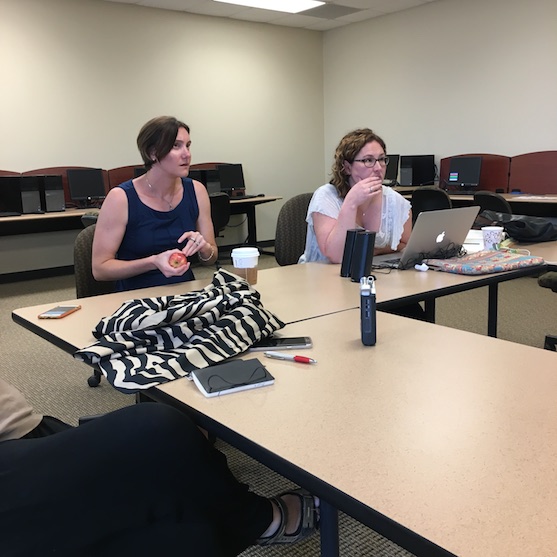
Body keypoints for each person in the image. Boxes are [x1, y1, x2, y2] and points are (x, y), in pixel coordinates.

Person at [0, 377, 319, 556]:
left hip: (28, 428)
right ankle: (258, 518)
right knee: (159, 428)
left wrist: (203, 253)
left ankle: (246, 518)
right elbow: (101, 268)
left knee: (192, 536)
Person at [92, 116, 219, 291]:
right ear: (152, 153)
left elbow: (211, 258)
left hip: (185, 293)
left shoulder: (197, 191)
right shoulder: (120, 198)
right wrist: (153, 262)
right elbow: (100, 269)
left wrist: (204, 248)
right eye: (176, 146)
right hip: (136, 299)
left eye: (188, 145)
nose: (187, 154)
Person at [299, 127, 412, 264]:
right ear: (347, 167)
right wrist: (351, 203)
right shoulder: (325, 197)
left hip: (375, 275)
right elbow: (336, 256)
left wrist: (369, 251)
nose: (378, 168)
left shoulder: (395, 201)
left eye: (381, 159)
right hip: (322, 277)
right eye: (368, 160)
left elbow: (405, 245)